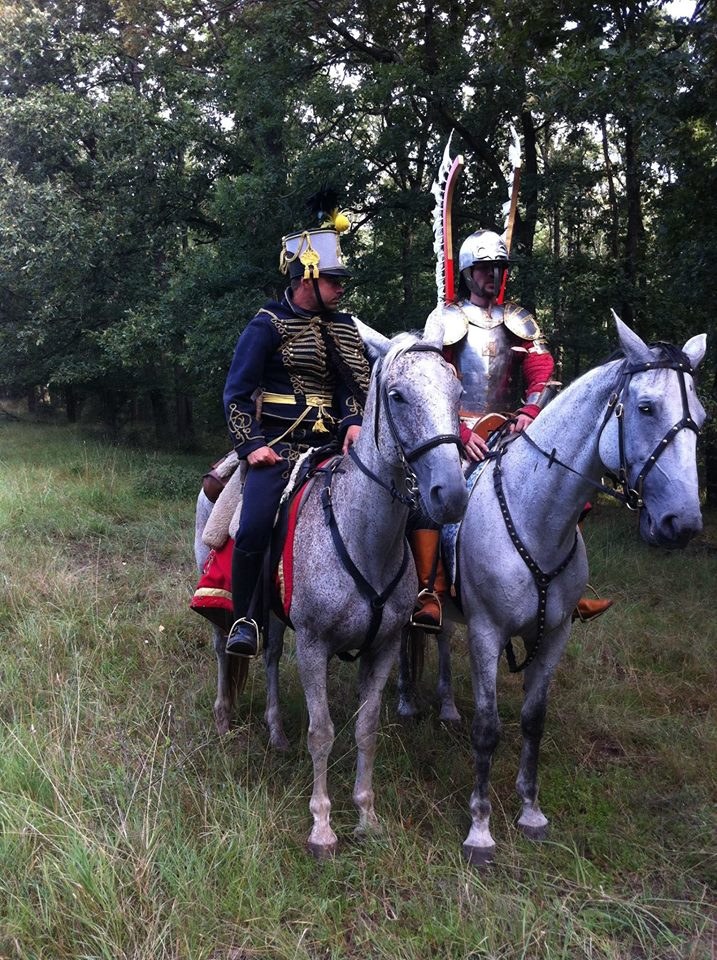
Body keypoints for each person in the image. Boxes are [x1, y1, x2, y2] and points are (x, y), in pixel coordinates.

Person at [411, 227, 612, 628]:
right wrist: (459, 434)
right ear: (468, 273)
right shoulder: (446, 320)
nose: (493, 275)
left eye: (498, 268)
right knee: (429, 497)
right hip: (459, 431)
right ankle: (428, 589)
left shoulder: (519, 321)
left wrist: (530, 412)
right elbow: (431, 380)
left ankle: (568, 591)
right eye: (485, 268)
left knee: (568, 491)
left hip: (509, 428)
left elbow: (542, 371)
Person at [223, 217, 370, 657]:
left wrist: (353, 422)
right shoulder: (267, 324)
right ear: (308, 275)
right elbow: (236, 392)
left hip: (333, 446)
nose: (341, 288)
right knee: (252, 527)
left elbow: (349, 385)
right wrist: (252, 446)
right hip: (279, 447)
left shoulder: (343, 327)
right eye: (333, 279)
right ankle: (245, 619)